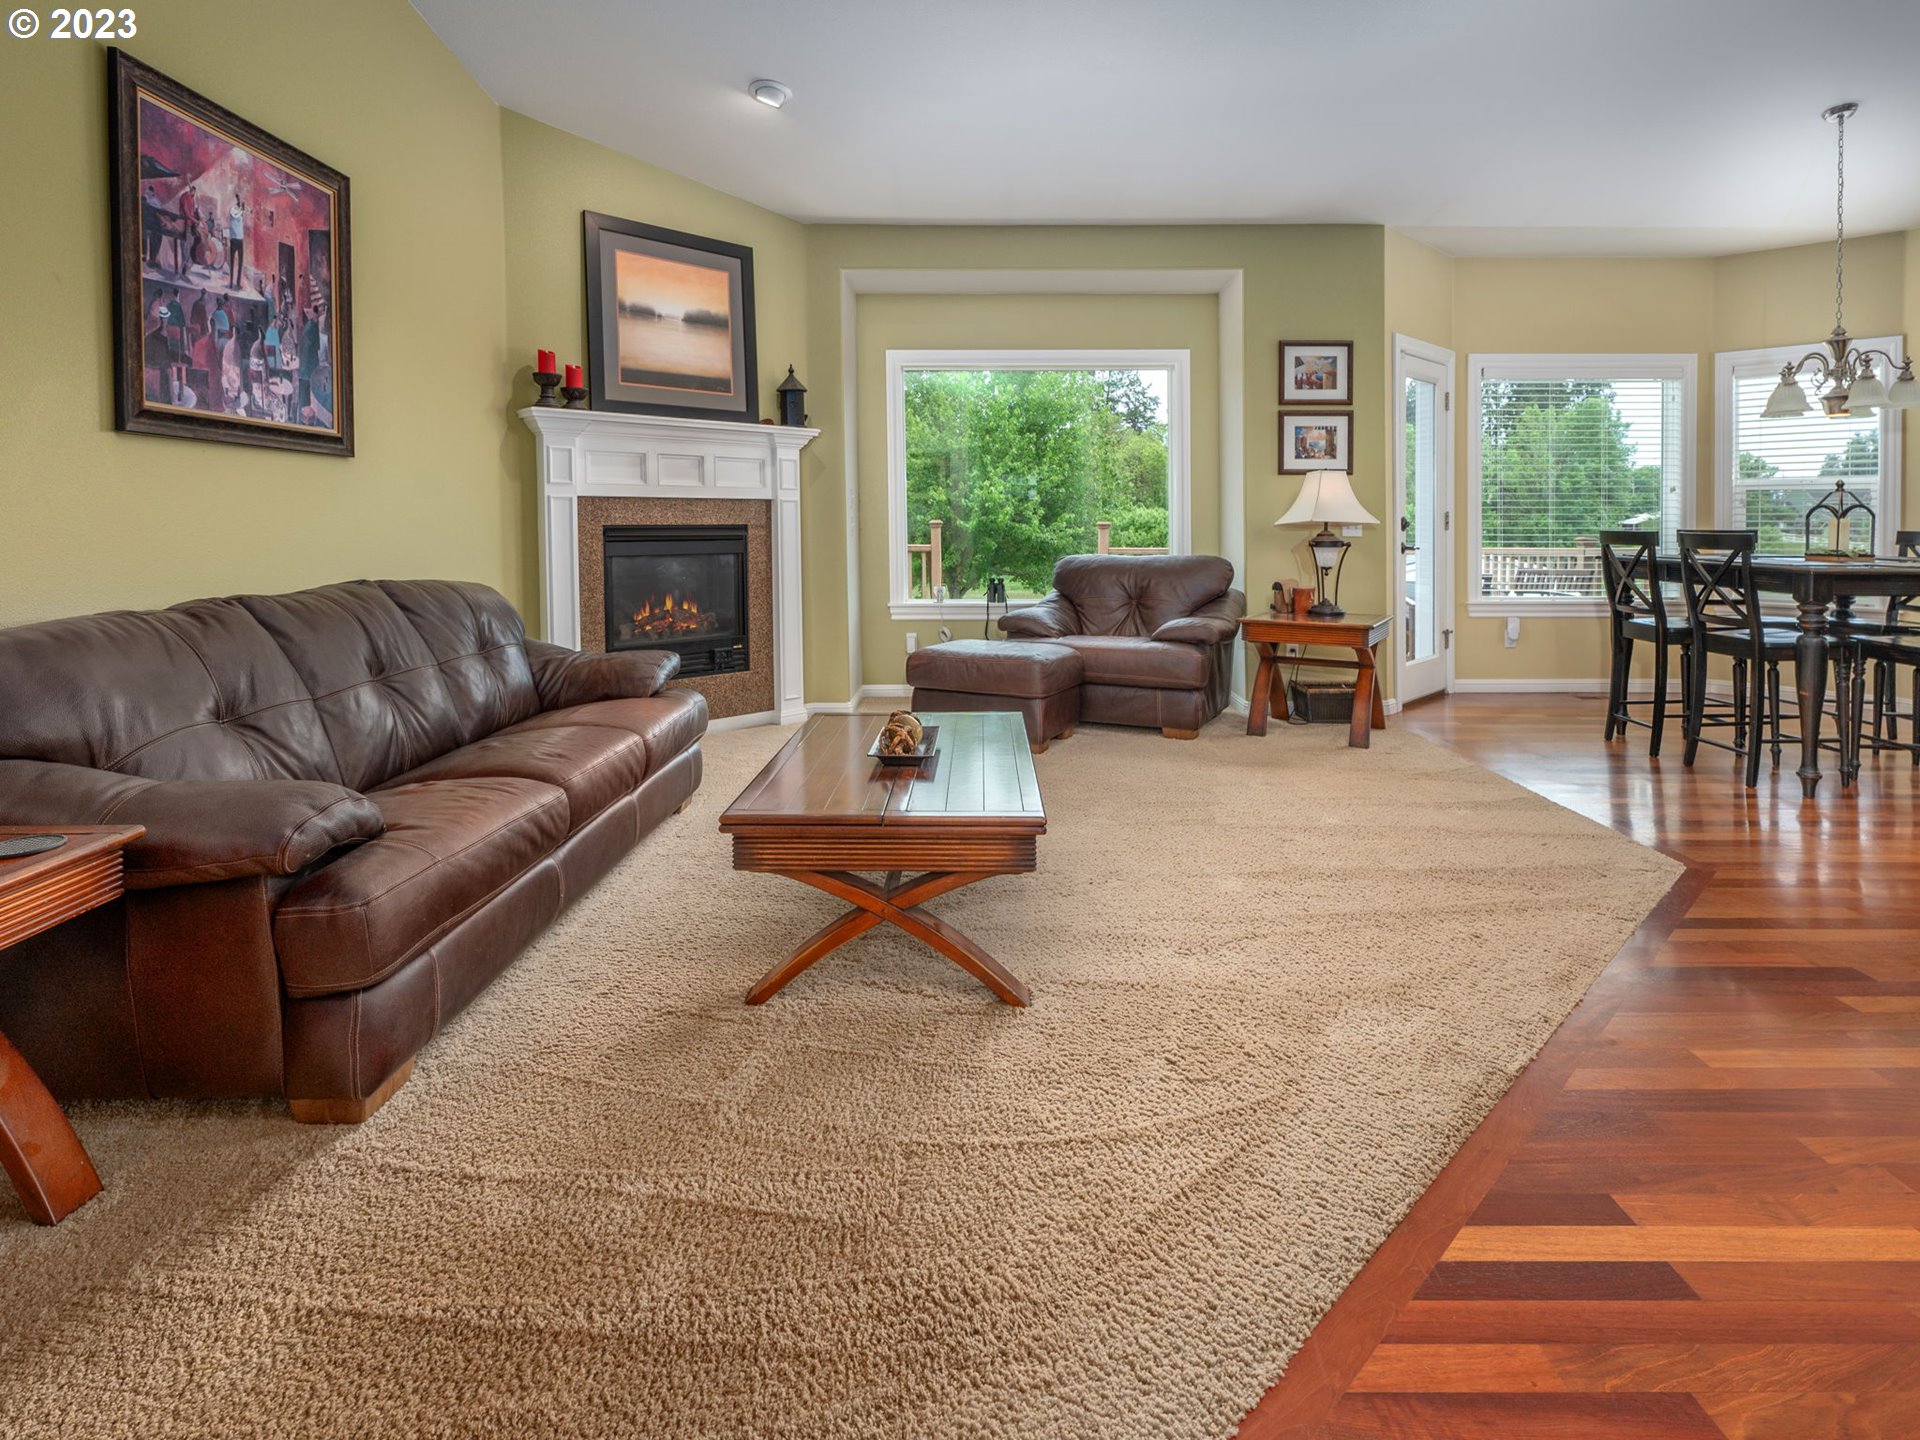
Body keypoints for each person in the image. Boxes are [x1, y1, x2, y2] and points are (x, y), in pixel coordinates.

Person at [227, 195, 247, 290]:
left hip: (240, 240)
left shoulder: (240, 213)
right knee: (232, 262)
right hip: (234, 240)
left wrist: (244, 210)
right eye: (238, 203)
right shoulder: (233, 211)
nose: (239, 205)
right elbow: (236, 215)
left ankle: (237, 284)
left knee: (240, 263)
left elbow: (241, 216)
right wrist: (242, 210)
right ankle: (231, 283)